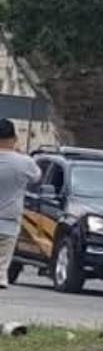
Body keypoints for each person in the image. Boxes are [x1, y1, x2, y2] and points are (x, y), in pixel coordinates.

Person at [0, 119, 40, 289]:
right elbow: (37, 177)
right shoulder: (25, 163)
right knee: (2, 261)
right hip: (9, 219)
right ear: (14, 138)